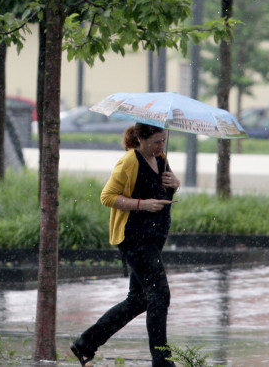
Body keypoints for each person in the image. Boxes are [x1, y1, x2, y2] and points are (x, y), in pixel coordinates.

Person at [70, 122, 180, 367]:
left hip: (154, 237)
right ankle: (162, 360)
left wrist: (175, 183)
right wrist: (142, 204)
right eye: (156, 141)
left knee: (139, 299)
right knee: (159, 294)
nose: (161, 146)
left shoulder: (160, 158)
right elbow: (107, 197)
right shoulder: (129, 162)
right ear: (140, 139)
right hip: (135, 238)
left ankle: (85, 344)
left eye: (163, 140)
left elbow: (165, 190)